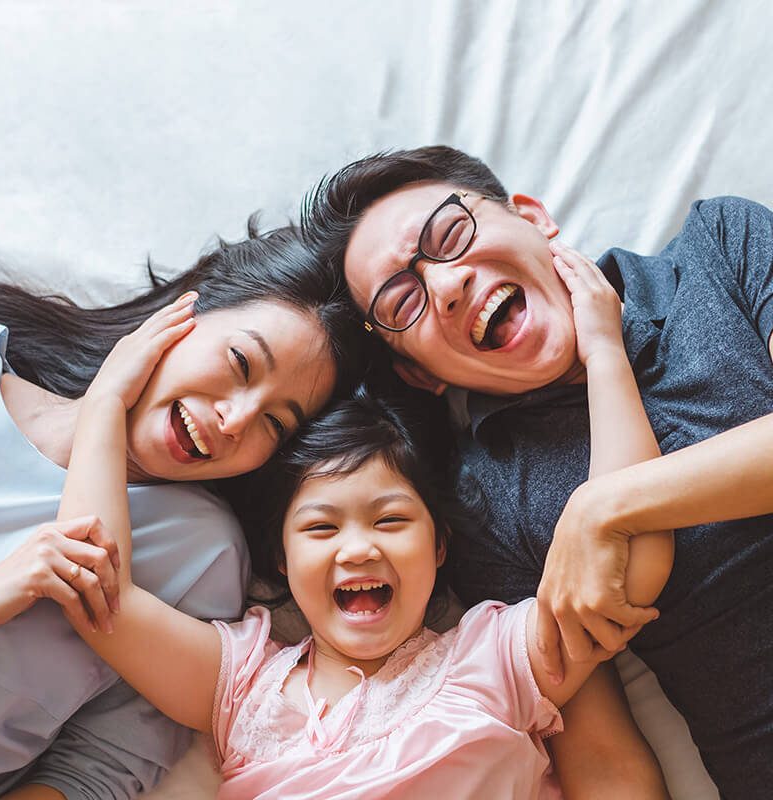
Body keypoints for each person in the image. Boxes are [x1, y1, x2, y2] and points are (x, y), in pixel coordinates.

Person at [48, 276, 671, 798]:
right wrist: (106, 400)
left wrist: (605, 357)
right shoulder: (242, 686)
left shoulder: (496, 657)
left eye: (391, 521)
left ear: (439, 547)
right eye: (320, 527)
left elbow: (628, 559)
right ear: (281, 560)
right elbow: (99, 590)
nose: (358, 548)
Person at [301, 145, 773, 797]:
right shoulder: (485, 508)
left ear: (532, 217)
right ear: (418, 373)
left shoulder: (720, 245)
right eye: (401, 301)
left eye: (450, 234)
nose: (445, 286)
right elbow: (604, 760)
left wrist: (603, 509)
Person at [0, 226, 363, 799]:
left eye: (276, 424)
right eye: (240, 362)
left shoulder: (202, 554)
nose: (235, 419)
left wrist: (108, 405)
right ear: (187, 311)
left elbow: (99, 768)